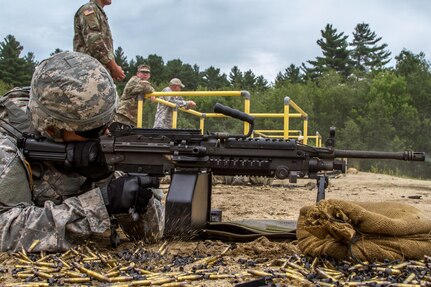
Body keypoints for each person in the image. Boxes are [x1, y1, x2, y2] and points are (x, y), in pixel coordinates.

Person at [0, 51, 163, 252]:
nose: (105, 133)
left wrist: (112, 182)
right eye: (94, 130)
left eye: (109, 123)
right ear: (52, 129)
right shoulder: (7, 142)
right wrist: (100, 203)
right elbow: (6, 230)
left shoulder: (101, 138)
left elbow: (151, 234)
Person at [73, 0, 125, 81]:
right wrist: (114, 67)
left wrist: (111, 69)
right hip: (89, 72)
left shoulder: (97, 12)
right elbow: (94, 42)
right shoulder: (89, 9)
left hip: (97, 72)